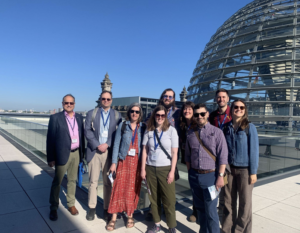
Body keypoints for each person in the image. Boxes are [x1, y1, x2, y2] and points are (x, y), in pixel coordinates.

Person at [185, 103, 228, 233]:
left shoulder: (217, 132)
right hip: (195, 176)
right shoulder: (191, 133)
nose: (200, 117)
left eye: (202, 114)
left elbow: (223, 156)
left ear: (207, 114)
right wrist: (190, 173)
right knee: (200, 210)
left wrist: (220, 176)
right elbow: (187, 156)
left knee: (211, 212)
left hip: (211, 177)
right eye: (197, 114)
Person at [105, 103, 146, 231]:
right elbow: (116, 144)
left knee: (132, 189)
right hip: (124, 160)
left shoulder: (143, 128)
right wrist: (113, 163)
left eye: (137, 112)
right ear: (129, 113)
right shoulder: (123, 126)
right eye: (132, 111)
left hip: (137, 163)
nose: (134, 113)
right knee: (118, 187)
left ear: (140, 114)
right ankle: (113, 217)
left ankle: (130, 215)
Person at [221, 99, 259, 233]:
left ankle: (240, 230)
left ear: (245, 110)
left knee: (245, 203)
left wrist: (253, 172)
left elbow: (254, 151)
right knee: (227, 203)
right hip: (229, 170)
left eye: (241, 107)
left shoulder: (249, 127)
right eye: (236, 107)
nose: (238, 109)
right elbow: (221, 149)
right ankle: (226, 229)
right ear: (231, 109)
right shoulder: (225, 127)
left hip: (245, 171)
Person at [85, 91, 122, 221]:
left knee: (108, 183)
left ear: (111, 100)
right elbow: (87, 131)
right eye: (103, 98)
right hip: (95, 151)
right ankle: (92, 208)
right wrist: (97, 144)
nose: (106, 101)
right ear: (100, 99)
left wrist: (107, 144)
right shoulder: (92, 113)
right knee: (93, 182)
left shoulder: (117, 115)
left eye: (108, 99)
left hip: (109, 153)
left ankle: (106, 209)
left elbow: (118, 133)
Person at [47, 94, 85, 221]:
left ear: (74, 104)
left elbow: (82, 136)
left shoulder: (79, 118)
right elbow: (50, 139)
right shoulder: (55, 118)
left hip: (76, 153)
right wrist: (51, 158)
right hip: (61, 154)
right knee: (57, 182)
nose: (69, 105)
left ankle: (71, 204)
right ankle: (53, 207)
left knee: (72, 180)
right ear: (62, 103)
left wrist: (82, 155)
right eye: (66, 103)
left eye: (71, 103)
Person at [141, 105, 179, 233]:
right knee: (154, 198)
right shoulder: (149, 130)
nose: (160, 118)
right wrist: (142, 169)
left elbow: (174, 153)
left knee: (169, 199)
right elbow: (145, 150)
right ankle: (157, 224)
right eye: (158, 115)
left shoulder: (171, 131)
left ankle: (171, 226)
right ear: (154, 116)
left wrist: (172, 171)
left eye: (163, 115)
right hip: (150, 168)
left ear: (165, 117)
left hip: (166, 169)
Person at [208, 88, 232, 222]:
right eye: (219, 97)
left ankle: (225, 217)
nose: (221, 99)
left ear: (228, 99)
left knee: (227, 191)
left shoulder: (233, 113)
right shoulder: (212, 116)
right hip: (215, 157)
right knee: (214, 186)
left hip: (229, 158)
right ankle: (215, 213)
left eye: (223, 97)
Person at [178, 101, 197, 222]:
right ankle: (196, 210)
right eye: (185, 109)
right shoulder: (183, 125)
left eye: (190, 109)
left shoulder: (197, 124)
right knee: (193, 185)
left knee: (199, 187)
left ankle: (198, 211)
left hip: (198, 159)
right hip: (188, 159)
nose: (187, 111)